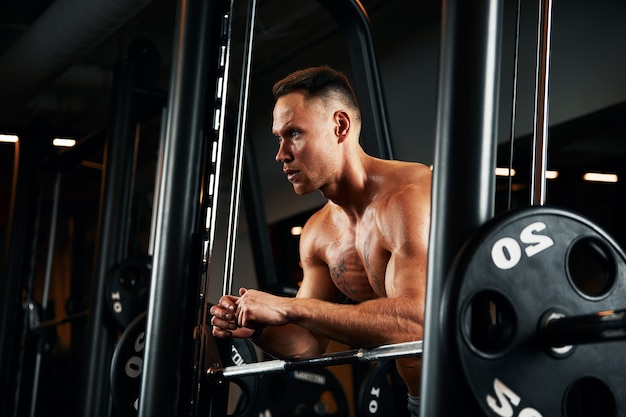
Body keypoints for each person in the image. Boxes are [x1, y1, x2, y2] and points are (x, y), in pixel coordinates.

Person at [210, 65, 431, 416]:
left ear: (339, 126)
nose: (281, 154)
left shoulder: (408, 197)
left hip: (480, 385)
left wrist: (289, 307)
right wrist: (257, 327)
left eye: (293, 133)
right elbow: (307, 344)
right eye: (278, 137)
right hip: (417, 401)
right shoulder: (318, 233)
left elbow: (417, 324)